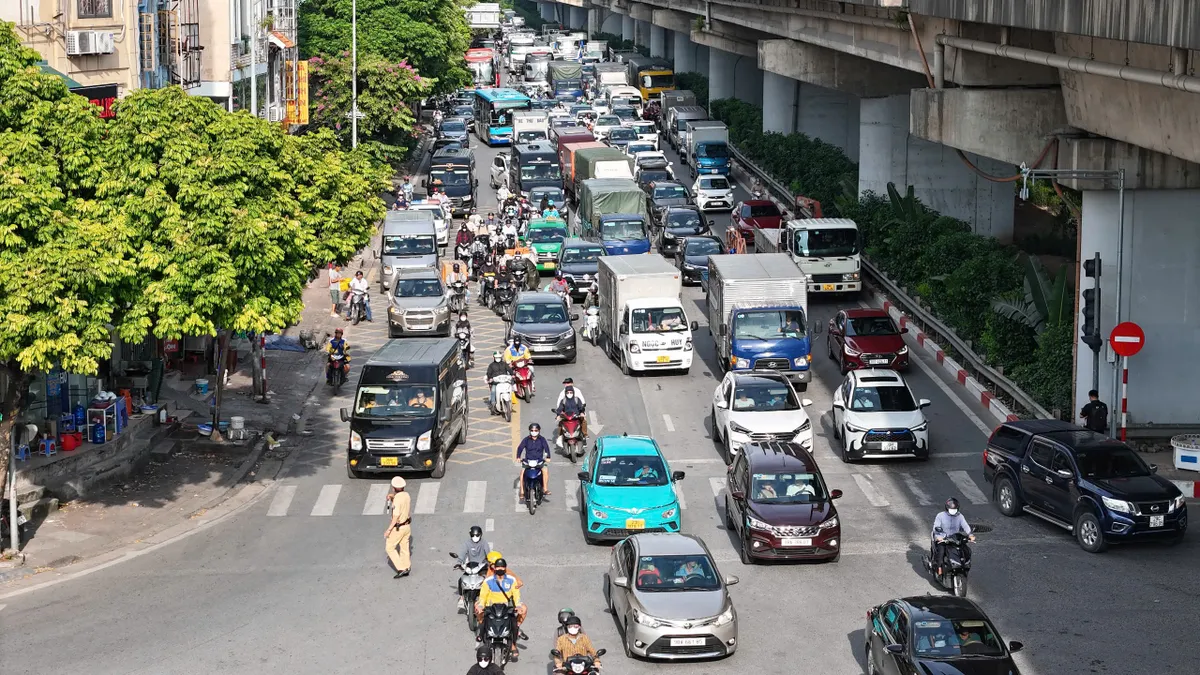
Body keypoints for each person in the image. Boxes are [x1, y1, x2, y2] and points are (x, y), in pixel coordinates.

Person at [475, 558, 526, 659]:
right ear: (494, 568)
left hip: (506, 608)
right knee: (477, 608)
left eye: (502, 567)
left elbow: (516, 595)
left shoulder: (511, 580)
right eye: (498, 567)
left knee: (518, 620)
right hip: (491, 607)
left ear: (505, 568)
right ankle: (481, 631)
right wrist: (481, 605)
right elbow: (483, 596)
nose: (500, 569)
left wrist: (518, 606)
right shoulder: (488, 581)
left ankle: (513, 644)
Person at [930, 497, 975, 576]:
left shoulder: (960, 516)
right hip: (943, 538)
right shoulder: (940, 516)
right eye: (951, 509)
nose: (953, 511)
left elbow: (965, 526)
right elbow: (936, 527)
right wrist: (938, 536)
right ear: (947, 508)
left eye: (955, 509)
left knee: (966, 550)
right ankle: (939, 567)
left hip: (955, 539)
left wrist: (970, 535)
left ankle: (964, 566)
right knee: (941, 551)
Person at [457, 525, 493, 609]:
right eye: (473, 535)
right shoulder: (467, 543)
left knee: (488, 582)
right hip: (471, 567)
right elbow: (462, 554)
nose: (475, 537)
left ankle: (489, 599)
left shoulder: (484, 543)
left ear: (480, 535)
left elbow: (488, 553)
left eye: (477, 535)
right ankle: (462, 598)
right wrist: (459, 563)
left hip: (482, 566)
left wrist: (490, 561)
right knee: (460, 580)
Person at [514, 422, 551, 500]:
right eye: (532, 430)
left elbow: (546, 448)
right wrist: (518, 457)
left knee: (545, 471)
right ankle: (522, 491)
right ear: (530, 431)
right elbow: (520, 448)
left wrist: (548, 457)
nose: (534, 432)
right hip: (528, 461)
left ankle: (545, 489)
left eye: (536, 430)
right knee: (522, 473)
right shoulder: (526, 440)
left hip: (539, 461)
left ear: (539, 431)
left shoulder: (542, 439)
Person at [385, 476, 411, 578]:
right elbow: (399, 500)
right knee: (404, 547)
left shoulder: (397, 500)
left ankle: (401, 568)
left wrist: (388, 530)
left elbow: (395, 517)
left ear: (394, 487)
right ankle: (407, 566)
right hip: (407, 526)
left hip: (398, 528)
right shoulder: (406, 495)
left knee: (389, 547)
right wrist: (391, 497)